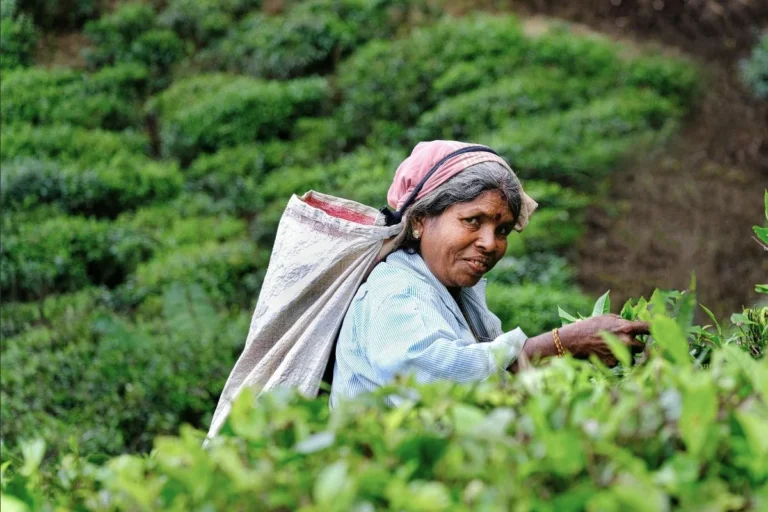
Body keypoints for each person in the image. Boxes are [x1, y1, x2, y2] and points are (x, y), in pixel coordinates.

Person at [328, 141, 648, 408]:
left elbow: (494, 381)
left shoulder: (454, 292)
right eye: (473, 221)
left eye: (503, 229)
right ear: (420, 220)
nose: (489, 243)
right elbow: (429, 381)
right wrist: (559, 344)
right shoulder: (396, 290)